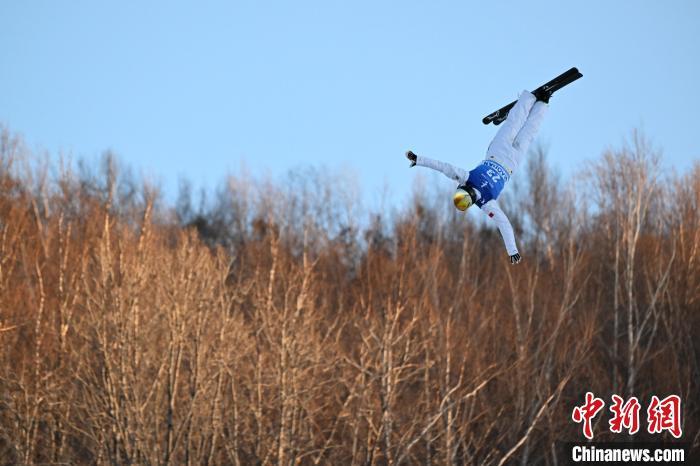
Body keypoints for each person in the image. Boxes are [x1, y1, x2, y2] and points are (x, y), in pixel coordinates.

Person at [406, 89, 550, 264]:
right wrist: (512, 250)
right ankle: (536, 101)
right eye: (464, 199)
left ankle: (535, 101)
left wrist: (419, 159)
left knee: (520, 129)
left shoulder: (475, 190)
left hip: (505, 157)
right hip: (505, 158)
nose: (466, 196)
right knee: (520, 129)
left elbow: (443, 167)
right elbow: (503, 223)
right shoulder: (479, 194)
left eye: (461, 197)